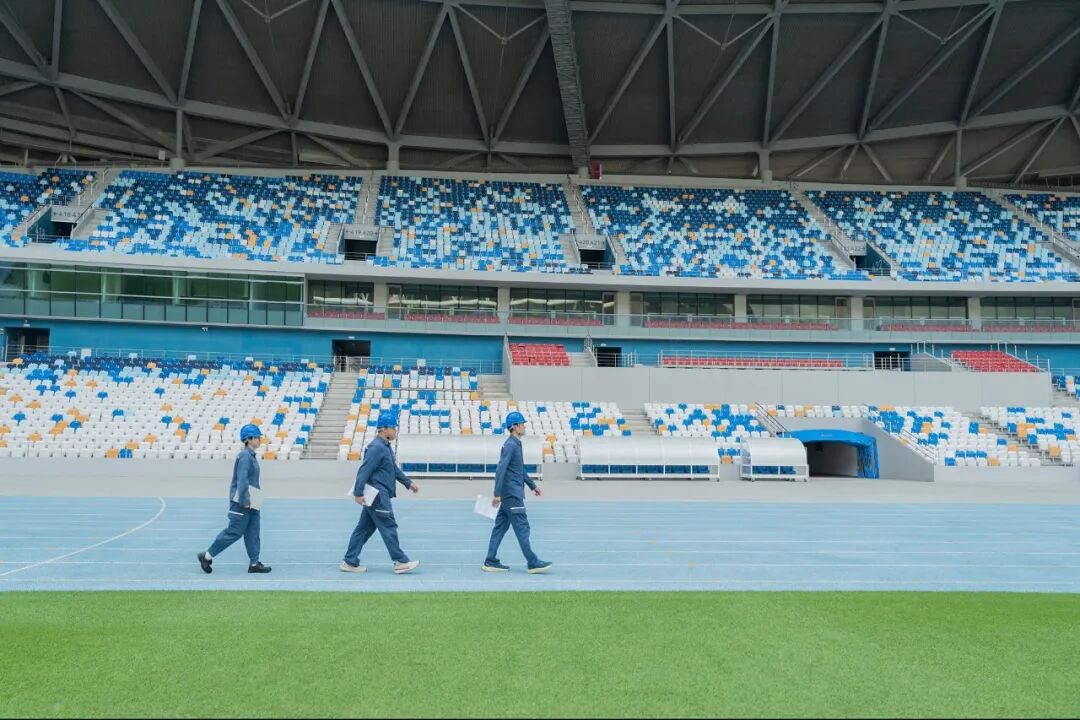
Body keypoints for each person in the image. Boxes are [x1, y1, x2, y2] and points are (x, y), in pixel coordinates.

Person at [340, 411, 421, 574]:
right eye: (393, 428)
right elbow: (364, 471)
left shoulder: (385, 447)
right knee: (388, 526)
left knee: (363, 529)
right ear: (384, 429)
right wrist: (358, 493)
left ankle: (349, 561)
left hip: (377, 495)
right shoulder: (376, 448)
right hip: (378, 496)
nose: (395, 431)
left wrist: (408, 483)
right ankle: (400, 562)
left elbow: (393, 469)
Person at [483, 411, 552, 574]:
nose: (524, 427)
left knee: (500, 528)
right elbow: (500, 469)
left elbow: (519, 469)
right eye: (522, 424)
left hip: (509, 495)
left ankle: (490, 560)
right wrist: (497, 494)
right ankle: (533, 562)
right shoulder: (511, 445)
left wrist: (532, 486)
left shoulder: (516, 444)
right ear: (515, 427)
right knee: (522, 527)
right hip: (512, 495)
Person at [197, 423, 271, 574]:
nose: (260, 439)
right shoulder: (245, 456)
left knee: (253, 532)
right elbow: (242, 479)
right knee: (234, 532)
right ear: (249, 439)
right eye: (257, 437)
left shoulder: (251, 456)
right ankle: (207, 556)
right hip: (242, 502)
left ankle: (254, 563)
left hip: (252, 501)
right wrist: (245, 500)